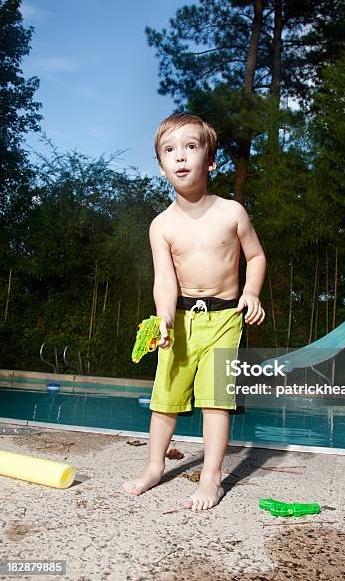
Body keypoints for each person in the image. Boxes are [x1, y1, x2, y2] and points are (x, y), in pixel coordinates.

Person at [123, 113, 266, 511]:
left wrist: (251, 293)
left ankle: (211, 476)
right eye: (170, 150)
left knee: (216, 399)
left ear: (211, 160)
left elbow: (255, 257)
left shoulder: (232, 212)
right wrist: (164, 316)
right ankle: (154, 465)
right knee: (164, 396)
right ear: (161, 165)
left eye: (191, 147)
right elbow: (165, 280)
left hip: (224, 319)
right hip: (181, 320)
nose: (181, 157)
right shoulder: (161, 225)